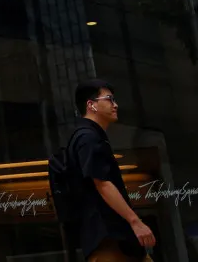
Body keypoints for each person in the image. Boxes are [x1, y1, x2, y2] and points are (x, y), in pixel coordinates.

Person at [68, 80, 156, 261]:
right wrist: (135, 221)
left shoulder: (89, 136)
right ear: (91, 105)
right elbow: (102, 183)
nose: (115, 105)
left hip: (115, 240)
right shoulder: (87, 138)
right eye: (109, 99)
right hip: (109, 241)